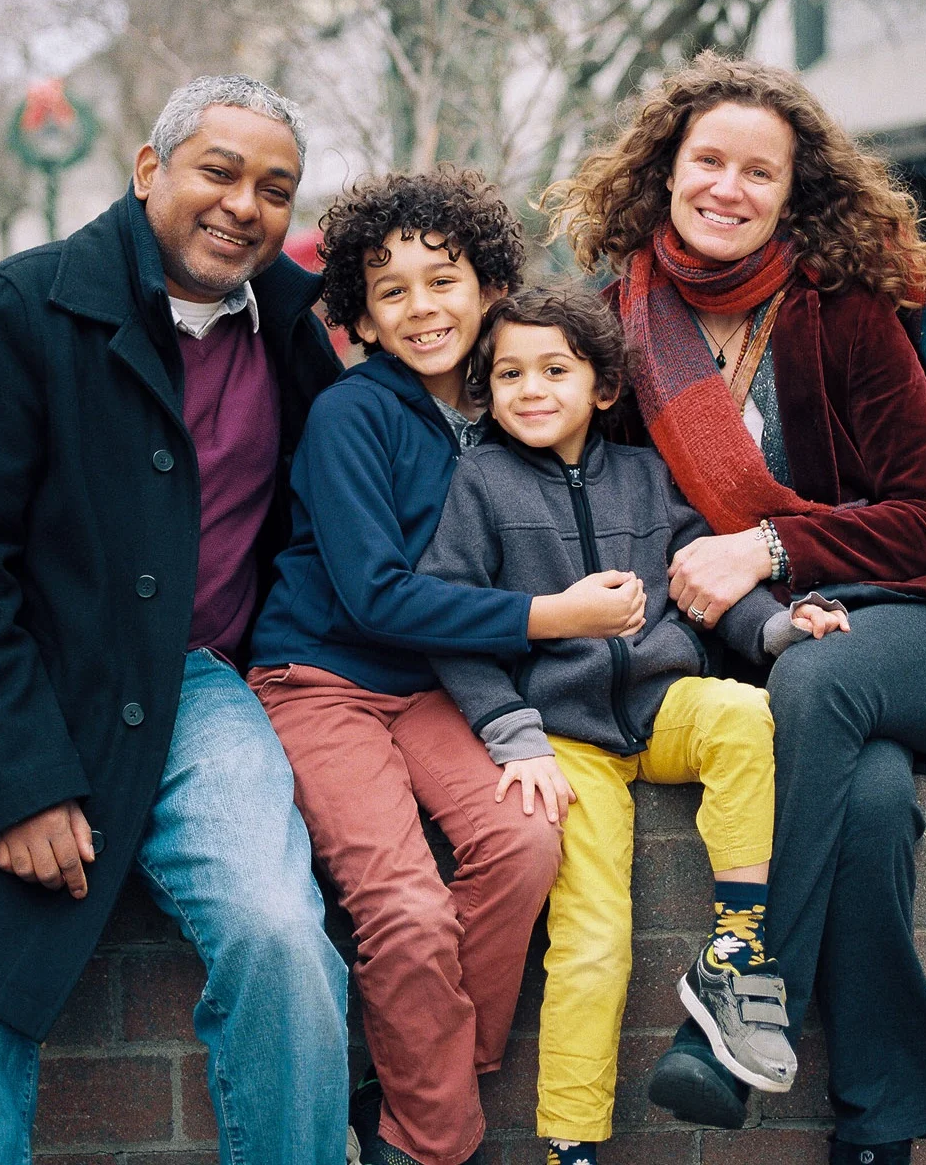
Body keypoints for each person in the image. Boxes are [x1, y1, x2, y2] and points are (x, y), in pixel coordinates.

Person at [543, 53, 926, 1165]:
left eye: (758, 172)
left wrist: (771, 545)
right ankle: (883, 1124)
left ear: (793, 192)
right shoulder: (618, 329)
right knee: (867, 800)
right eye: (708, 161)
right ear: (666, 171)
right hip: (768, 648)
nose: (727, 188)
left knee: (821, 683)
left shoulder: (844, 312)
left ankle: (740, 1000)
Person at [0, 75, 351, 1165]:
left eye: (275, 189)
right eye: (219, 171)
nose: (245, 206)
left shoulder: (292, 334)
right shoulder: (17, 310)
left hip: (198, 691)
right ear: (149, 170)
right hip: (31, 685)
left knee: (282, 940)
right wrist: (17, 784)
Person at [247, 171, 648, 1165]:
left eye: (444, 280)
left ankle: (417, 1075)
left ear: (488, 288)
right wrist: (555, 617)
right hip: (320, 681)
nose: (422, 306)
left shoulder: (509, 403)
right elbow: (375, 596)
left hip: (436, 685)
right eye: (392, 291)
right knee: (406, 908)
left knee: (526, 841)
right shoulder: (353, 417)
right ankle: (432, 1140)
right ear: (362, 319)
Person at [418, 285, 851, 1165]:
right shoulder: (480, 484)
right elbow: (450, 624)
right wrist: (511, 731)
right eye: (509, 374)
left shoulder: (646, 476)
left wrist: (777, 629)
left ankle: (734, 947)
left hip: (662, 705)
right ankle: (570, 1142)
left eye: (554, 370)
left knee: (742, 712)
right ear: (486, 390)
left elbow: (701, 585)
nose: (531, 389)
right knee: (593, 940)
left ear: (603, 386)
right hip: (565, 741)